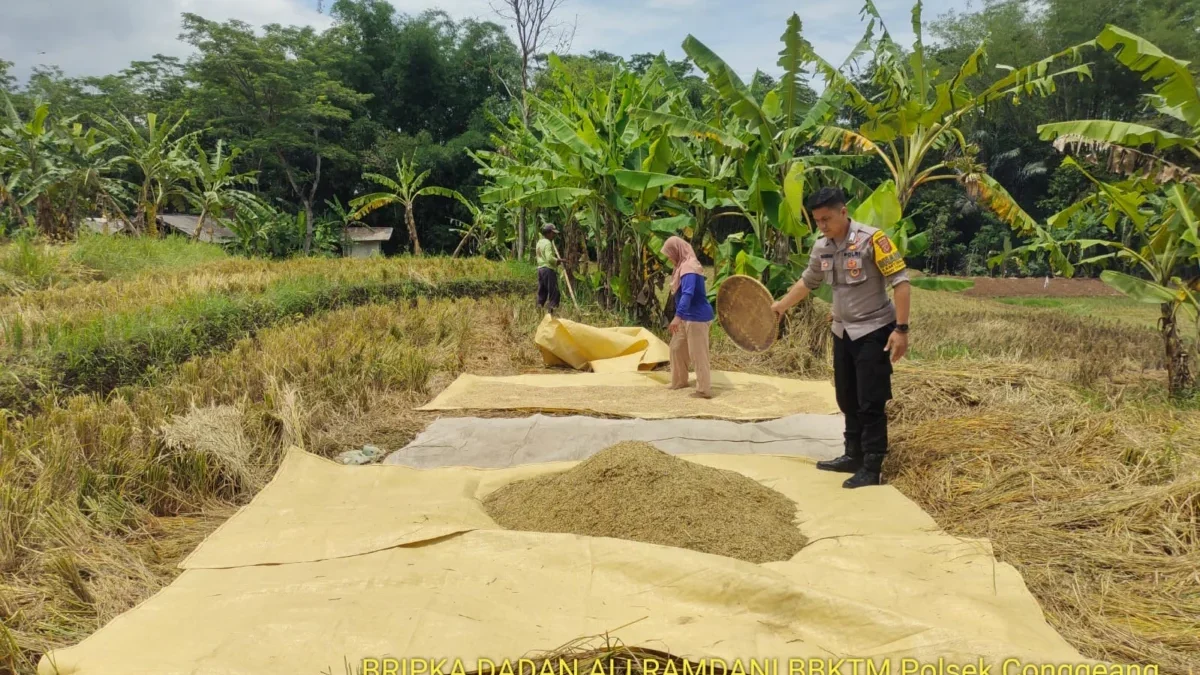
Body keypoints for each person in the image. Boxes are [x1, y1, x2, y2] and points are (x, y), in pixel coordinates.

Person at [770, 187, 911, 489]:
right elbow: (808, 281)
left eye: (827, 218)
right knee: (846, 396)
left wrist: (901, 330)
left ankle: (872, 466)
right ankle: (852, 454)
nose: (822, 226)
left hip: (874, 330)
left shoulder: (873, 240)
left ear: (844, 211)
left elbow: (900, 283)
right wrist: (782, 304)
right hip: (842, 331)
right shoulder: (822, 247)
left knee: (870, 399)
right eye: (817, 220)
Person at [661, 236, 715, 399]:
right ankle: (679, 381)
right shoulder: (681, 267)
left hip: (697, 318)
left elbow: (688, 293)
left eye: (669, 254)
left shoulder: (689, 267)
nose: (669, 258)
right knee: (676, 347)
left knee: (698, 354)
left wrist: (677, 316)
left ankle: (703, 390)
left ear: (677, 251)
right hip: (687, 317)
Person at [535, 223, 563, 314]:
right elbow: (549, 258)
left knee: (542, 291)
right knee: (554, 292)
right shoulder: (547, 243)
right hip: (548, 270)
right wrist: (558, 260)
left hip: (540, 269)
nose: (554, 235)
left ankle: (538, 310)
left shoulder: (539, 242)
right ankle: (551, 312)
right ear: (548, 233)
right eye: (553, 233)